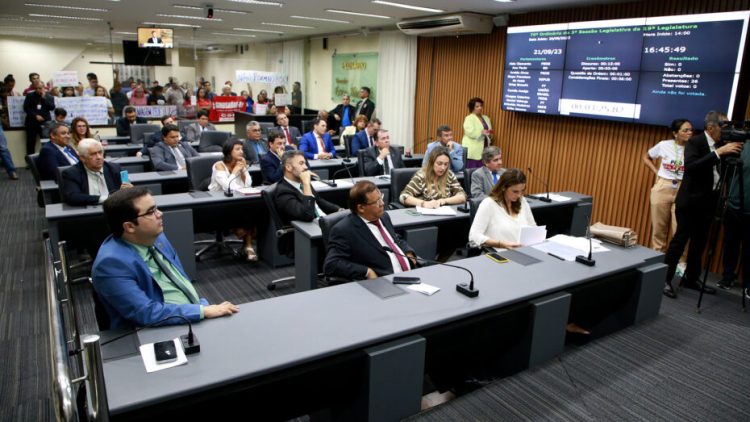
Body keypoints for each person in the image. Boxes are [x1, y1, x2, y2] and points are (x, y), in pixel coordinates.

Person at [92, 187, 239, 329]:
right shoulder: (111, 264)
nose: (160, 214)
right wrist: (202, 311)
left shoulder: (157, 237)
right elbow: (145, 313)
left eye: (156, 208)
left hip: (188, 312)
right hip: (150, 329)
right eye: (150, 212)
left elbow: (178, 278)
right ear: (129, 227)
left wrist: (200, 306)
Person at [662, 111, 743, 298]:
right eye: (724, 126)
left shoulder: (723, 144)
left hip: (708, 204)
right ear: (710, 127)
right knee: (679, 242)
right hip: (690, 202)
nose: (727, 130)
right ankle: (665, 279)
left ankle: (691, 278)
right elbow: (691, 167)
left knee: (699, 243)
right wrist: (718, 153)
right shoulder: (695, 142)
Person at [324, 181, 417, 281]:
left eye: (381, 197)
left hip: (411, 274)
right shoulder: (344, 230)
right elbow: (331, 264)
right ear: (361, 208)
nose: (382, 203)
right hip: (384, 282)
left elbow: (394, 238)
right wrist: (366, 271)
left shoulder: (384, 216)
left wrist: (408, 251)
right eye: (376, 202)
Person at [642, 119, 691, 256]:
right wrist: (656, 172)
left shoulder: (694, 147)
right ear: (675, 133)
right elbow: (646, 157)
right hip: (663, 186)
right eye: (685, 130)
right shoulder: (664, 145)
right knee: (659, 229)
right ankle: (657, 258)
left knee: (680, 230)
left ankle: (680, 263)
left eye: (691, 130)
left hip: (683, 188)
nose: (690, 133)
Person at [207, 139, 258, 261]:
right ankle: (248, 247)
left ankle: (248, 246)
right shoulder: (219, 165)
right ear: (229, 151)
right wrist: (235, 171)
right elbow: (228, 187)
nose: (241, 152)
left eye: (242, 149)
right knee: (244, 213)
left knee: (253, 210)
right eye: (237, 149)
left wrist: (244, 171)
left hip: (236, 199)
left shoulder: (240, 162)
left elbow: (248, 184)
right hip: (217, 202)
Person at [469, 169, 535, 250]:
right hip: (499, 253)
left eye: (522, 191)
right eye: (515, 191)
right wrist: (500, 244)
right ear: (503, 187)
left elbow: (533, 228)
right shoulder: (488, 204)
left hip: (523, 251)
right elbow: (474, 236)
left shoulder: (522, 201)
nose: (519, 195)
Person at [274, 150, 340, 225]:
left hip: (324, 222)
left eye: (305, 163)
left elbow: (319, 201)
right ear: (288, 167)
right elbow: (307, 215)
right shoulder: (283, 192)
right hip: (309, 230)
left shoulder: (302, 182)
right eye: (301, 163)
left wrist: (339, 210)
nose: (306, 167)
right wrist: (306, 184)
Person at [61, 138, 133, 206]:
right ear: (82, 158)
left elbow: (125, 192)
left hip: (113, 210)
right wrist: (106, 199)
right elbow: (73, 197)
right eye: (93, 154)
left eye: (100, 152)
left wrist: (130, 190)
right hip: (88, 213)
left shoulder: (114, 168)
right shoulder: (71, 173)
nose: (99, 157)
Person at [402, 146, 466, 208]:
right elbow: (404, 196)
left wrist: (444, 201)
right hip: (425, 215)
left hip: (445, 214)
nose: (443, 168)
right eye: (439, 163)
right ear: (432, 163)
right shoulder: (421, 176)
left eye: (446, 164)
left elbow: (462, 196)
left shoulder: (449, 175)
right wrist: (423, 203)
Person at [726, 140, 750, 300]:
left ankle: (748, 284)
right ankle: (728, 276)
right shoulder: (743, 144)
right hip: (734, 204)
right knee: (730, 243)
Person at [23, 81, 54, 155]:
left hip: (45, 122)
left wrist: (44, 98)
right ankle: (30, 161)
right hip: (32, 122)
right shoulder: (30, 96)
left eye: (40, 88)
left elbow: (52, 107)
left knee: (46, 142)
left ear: (44, 88)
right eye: (36, 88)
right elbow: (26, 108)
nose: (38, 90)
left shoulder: (49, 96)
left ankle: (47, 159)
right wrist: (35, 116)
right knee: (31, 142)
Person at [461, 97, 493, 169]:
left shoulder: (486, 118)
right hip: (472, 148)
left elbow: (490, 131)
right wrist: (481, 132)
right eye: (477, 106)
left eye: (481, 106)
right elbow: (469, 132)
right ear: (472, 108)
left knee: (481, 170)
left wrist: (490, 134)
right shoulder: (469, 118)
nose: (480, 108)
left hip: (484, 147)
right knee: (472, 170)